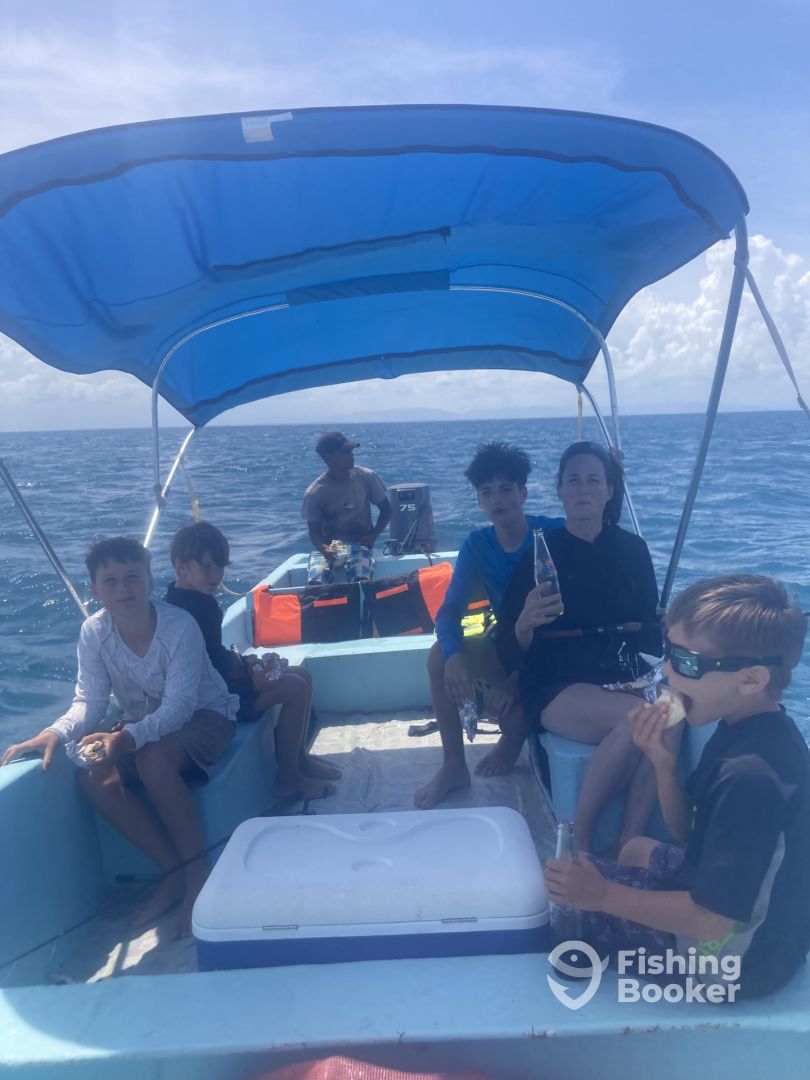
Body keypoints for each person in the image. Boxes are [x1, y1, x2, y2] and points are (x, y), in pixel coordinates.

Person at [545, 574, 810, 1000]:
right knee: (632, 849)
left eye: (687, 662)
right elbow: (689, 830)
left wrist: (602, 896)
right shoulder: (742, 725)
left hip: (733, 962)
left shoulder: (751, 776)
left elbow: (715, 921)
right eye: (668, 651)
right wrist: (663, 765)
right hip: (730, 906)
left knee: (565, 905)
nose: (666, 670)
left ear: (751, 679)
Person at [1, 537, 239, 937]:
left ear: (149, 580)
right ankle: (172, 872)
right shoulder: (93, 633)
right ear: (95, 590)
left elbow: (181, 706)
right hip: (143, 723)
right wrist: (54, 732)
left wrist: (126, 739)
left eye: (132, 576)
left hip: (207, 715)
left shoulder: (180, 626)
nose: (123, 588)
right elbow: (89, 702)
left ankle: (196, 872)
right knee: (93, 775)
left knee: (152, 760)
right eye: (110, 580)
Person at [495, 442, 663, 853]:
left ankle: (628, 845)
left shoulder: (634, 550)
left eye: (593, 480)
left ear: (609, 490)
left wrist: (652, 678)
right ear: (559, 490)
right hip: (558, 680)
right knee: (639, 722)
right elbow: (507, 650)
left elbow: (651, 630)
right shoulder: (538, 557)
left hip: (623, 675)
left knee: (667, 721)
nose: (583, 488)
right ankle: (580, 844)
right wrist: (524, 624)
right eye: (573, 480)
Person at [414, 441, 564, 809]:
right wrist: (454, 656)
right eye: (487, 492)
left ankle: (511, 740)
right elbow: (449, 611)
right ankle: (453, 766)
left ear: (523, 493)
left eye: (506, 489)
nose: (497, 500)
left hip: (556, 656)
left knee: (514, 722)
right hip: (509, 647)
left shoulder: (554, 535)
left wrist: (513, 681)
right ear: (479, 500)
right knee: (438, 656)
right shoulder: (477, 545)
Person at [165, 521, 340, 801]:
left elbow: (212, 655)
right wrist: (251, 682)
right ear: (180, 566)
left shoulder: (191, 599)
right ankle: (288, 778)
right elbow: (200, 673)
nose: (216, 575)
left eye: (220, 567)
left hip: (218, 689)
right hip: (212, 705)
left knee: (302, 675)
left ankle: (300, 760)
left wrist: (245, 665)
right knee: (294, 688)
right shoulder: (190, 611)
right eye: (207, 567)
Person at [302, 431, 391, 584]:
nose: (351, 455)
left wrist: (373, 535)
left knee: (360, 576)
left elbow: (386, 509)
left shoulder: (366, 476)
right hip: (332, 548)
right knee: (316, 579)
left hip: (361, 544)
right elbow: (314, 532)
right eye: (346, 451)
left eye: (351, 451)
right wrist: (325, 549)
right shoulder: (315, 492)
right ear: (329, 457)